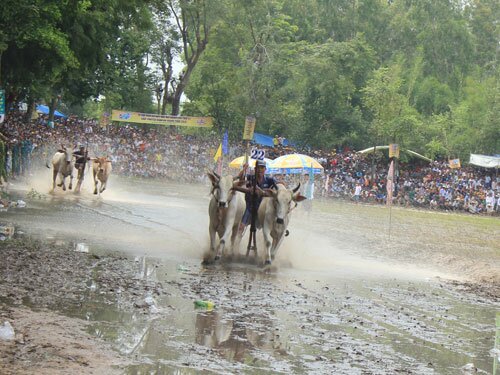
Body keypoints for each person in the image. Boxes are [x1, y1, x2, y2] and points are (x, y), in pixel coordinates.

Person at [237, 159, 277, 235]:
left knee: (270, 229)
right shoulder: (250, 178)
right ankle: (235, 243)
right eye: (258, 168)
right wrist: (244, 169)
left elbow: (279, 185)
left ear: (265, 169)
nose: (259, 170)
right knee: (241, 227)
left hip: (263, 210)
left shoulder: (270, 180)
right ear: (255, 169)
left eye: (262, 168)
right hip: (250, 207)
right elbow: (241, 179)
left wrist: (263, 192)